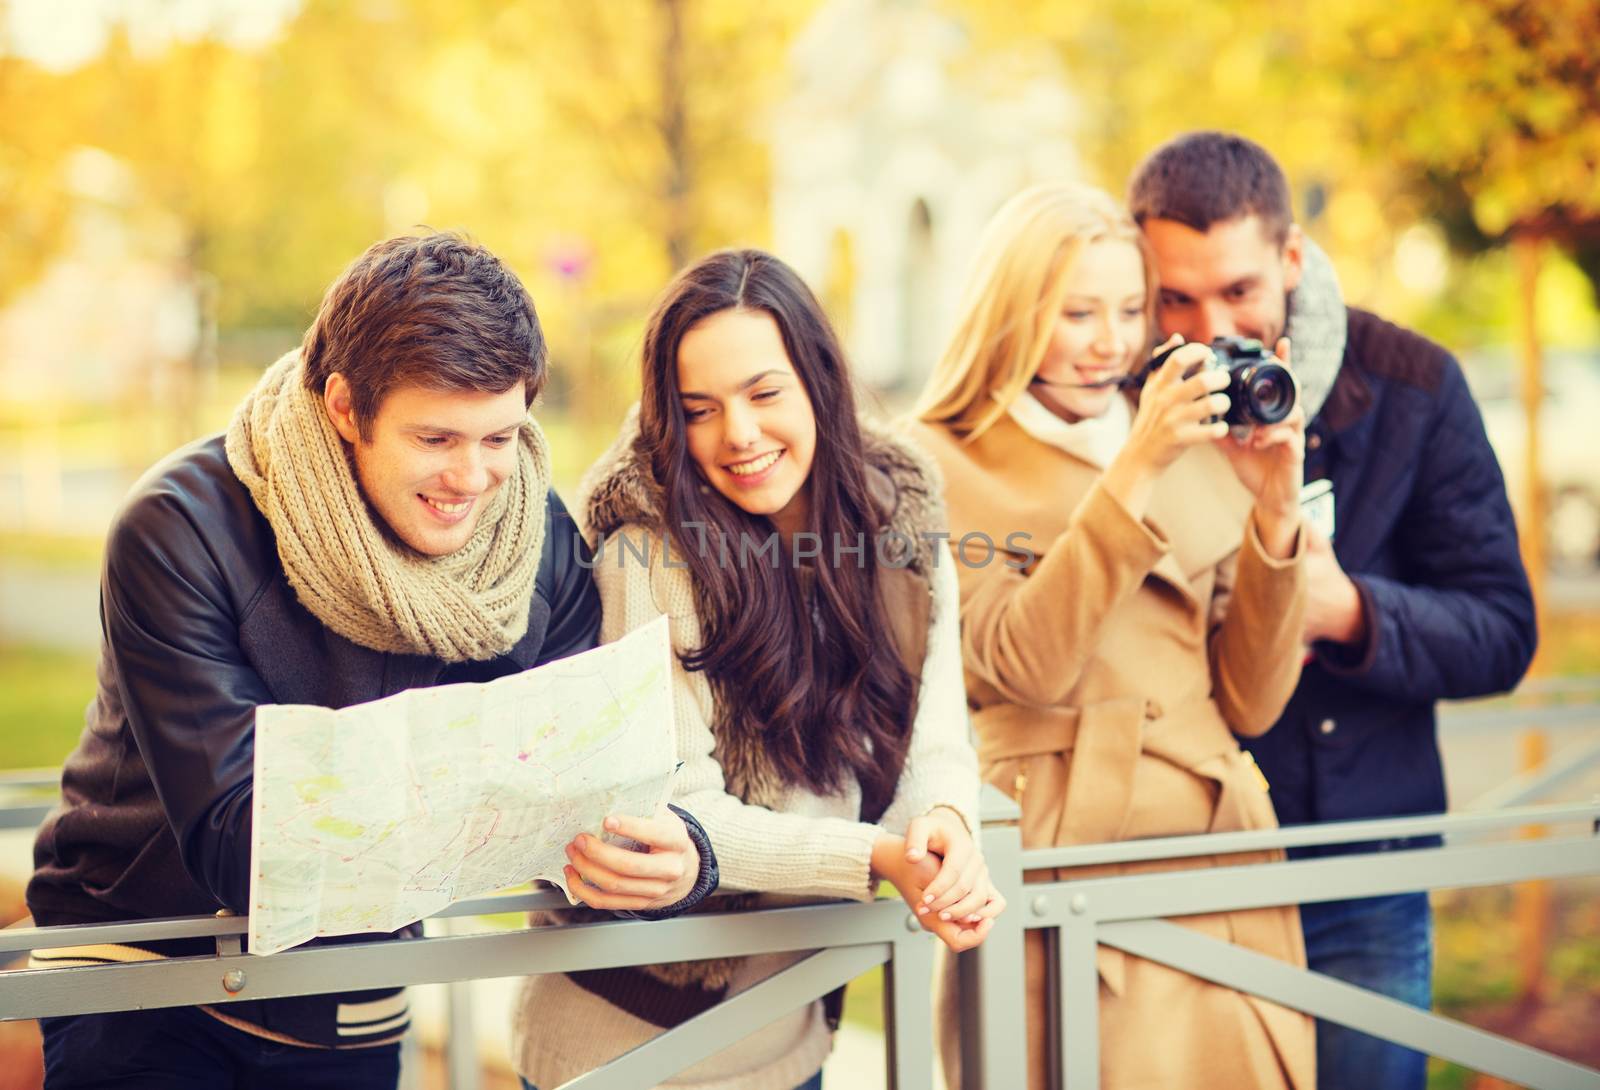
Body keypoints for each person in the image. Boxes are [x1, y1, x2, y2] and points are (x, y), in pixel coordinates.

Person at [25, 232, 717, 1090]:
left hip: (351, 997)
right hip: (142, 976)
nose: (473, 477)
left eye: (501, 437)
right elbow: (245, 837)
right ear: (345, 407)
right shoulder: (181, 528)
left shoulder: (534, 547)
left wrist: (677, 852)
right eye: (437, 438)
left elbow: (592, 789)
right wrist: (499, 786)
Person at [510, 248, 1002, 1090]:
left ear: (819, 379)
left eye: (765, 393)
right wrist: (881, 858)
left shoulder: (901, 509)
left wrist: (944, 820)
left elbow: (937, 737)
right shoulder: (644, 546)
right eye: (700, 409)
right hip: (628, 1047)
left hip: (790, 1028)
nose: (737, 433)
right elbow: (677, 809)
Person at [1127, 131, 1537, 1090]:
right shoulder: (1116, 396)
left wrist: (1351, 612)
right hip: (1174, 871)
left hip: (1358, 868)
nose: (1203, 325)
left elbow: (1504, 630)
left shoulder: (1416, 384)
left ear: (1292, 258)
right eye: (1173, 297)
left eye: (1237, 292)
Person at [911, 183, 1315, 1090]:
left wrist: (1277, 507)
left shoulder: (1189, 436)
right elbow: (1023, 664)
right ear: (1012, 316)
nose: (1114, 341)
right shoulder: (934, 459)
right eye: (1079, 312)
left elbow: (1251, 699)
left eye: (1131, 309)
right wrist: (1134, 469)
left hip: (1217, 851)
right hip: (1061, 851)